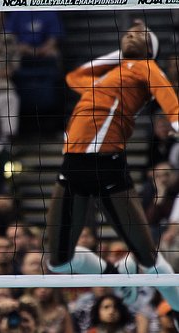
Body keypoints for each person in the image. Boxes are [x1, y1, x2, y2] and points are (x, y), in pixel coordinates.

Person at [45, 19, 179, 330]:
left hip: (107, 166)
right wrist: (121, 55)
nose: (131, 33)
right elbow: (74, 76)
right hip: (73, 168)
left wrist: (137, 57)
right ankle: (114, 275)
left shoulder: (146, 69)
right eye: (128, 31)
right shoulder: (108, 76)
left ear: (150, 50)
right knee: (59, 262)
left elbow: (172, 106)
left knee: (147, 257)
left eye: (140, 34)